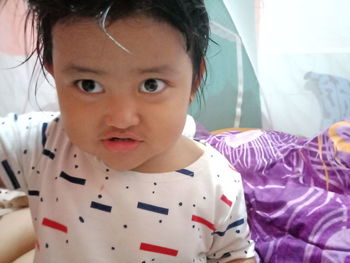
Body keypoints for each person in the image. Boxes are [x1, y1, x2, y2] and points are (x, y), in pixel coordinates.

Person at [0, 0, 256, 262]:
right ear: (54, 74)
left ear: (194, 81)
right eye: (88, 85)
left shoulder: (217, 184)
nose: (121, 119)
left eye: (151, 85)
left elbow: (235, 256)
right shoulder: (40, 143)